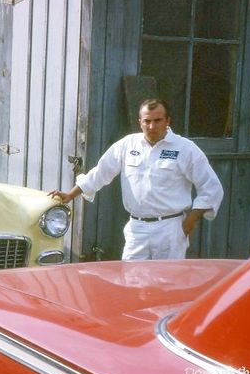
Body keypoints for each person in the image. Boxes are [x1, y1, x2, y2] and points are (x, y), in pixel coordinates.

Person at [48, 98, 223, 260]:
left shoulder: (185, 149)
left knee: (167, 283)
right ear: (140, 122)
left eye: (158, 120)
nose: (152, 126)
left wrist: (190, 221)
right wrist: (71, 194)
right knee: (131, 281)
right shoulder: (127, 145)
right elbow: (102, 171)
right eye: (147, 121)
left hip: (170, 229)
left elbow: (211, 187)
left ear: (168, 121)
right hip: (136, 228)